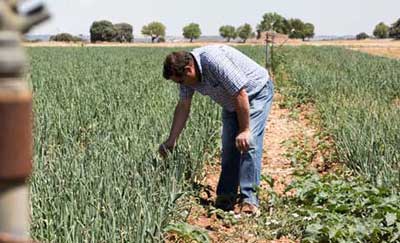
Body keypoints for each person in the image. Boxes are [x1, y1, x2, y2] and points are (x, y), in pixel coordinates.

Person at [159, 45, 274, 215]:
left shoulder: (213, 60)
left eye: (180, 81)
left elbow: (240, 94)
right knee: (228, 147)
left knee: (248, 143)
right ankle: (227, 195)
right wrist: (171, 140)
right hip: (230, 101)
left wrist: (244, 130)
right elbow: (184, 106)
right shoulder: (186, 77)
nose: (181, 85)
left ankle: (249, 200)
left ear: (188, 69)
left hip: (255, 93)